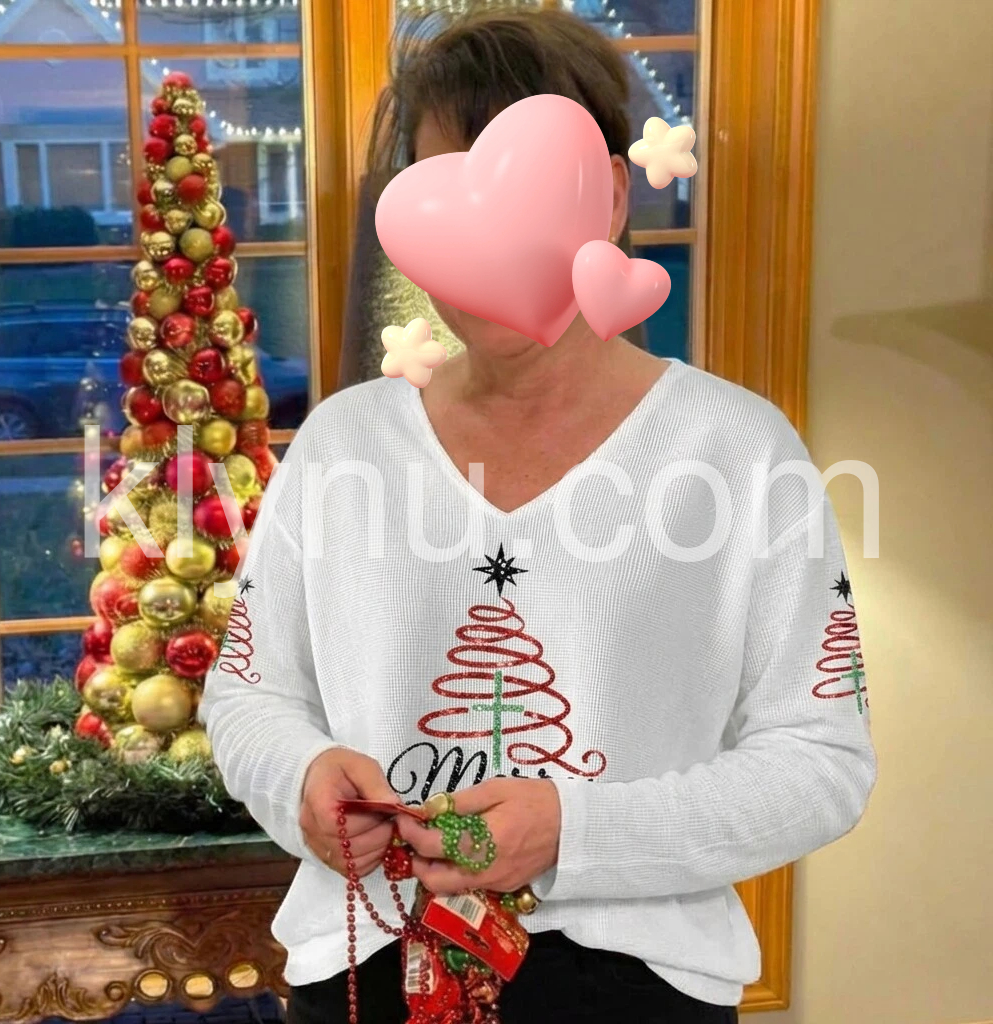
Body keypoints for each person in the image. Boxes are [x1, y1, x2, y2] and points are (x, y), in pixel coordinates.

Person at [200, 9, 877, 1024]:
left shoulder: (737, 452)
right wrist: (301, 779)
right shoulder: (344, 445)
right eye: (449, 195)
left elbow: (821, 763)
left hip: (636, 989)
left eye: (524, 196)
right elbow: (248, 692)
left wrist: (573, 830)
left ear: (610, 195)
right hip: (362, 974)